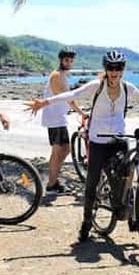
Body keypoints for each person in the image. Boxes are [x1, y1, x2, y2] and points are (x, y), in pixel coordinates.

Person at [25, 50, 139, 242]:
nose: (114, 72)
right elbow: (71, 94)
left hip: (119, 141)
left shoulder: (126, 87)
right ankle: (87, 223)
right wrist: (44, 103)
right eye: (111, 68)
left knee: (126, 178)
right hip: (98, 141)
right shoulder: (96, 86)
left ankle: (130, 213)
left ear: (122, 70)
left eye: (118, 68)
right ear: (106, 69)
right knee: (91, 185)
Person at [41, 46, 88, 194]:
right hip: (55, 119)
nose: (69, 63)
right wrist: (80, 112)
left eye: (71, 60)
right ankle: (51, 184)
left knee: (64, 150)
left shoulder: (62, 75)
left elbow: (67, 97)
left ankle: (53, 181)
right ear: (61, 60)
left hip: (58, 118)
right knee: (58, 151)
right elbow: (65, 97)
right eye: (66, 60)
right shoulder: (56, 75)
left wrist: (78, 109)